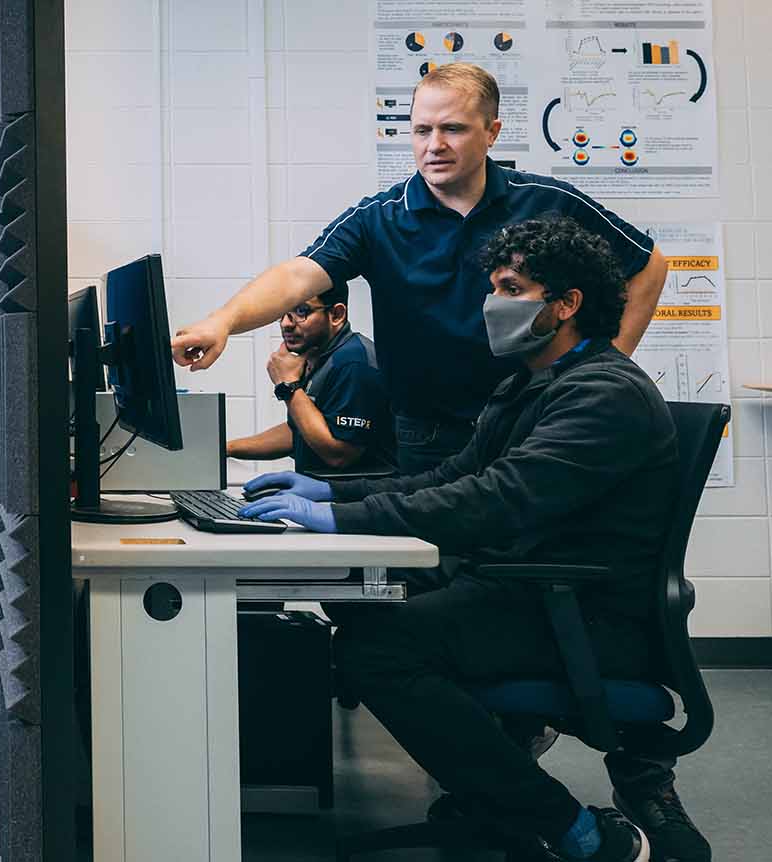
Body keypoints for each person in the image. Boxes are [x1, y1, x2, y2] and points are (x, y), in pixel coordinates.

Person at [237, 216, 702, 862]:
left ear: (566, 304)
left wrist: (341, 520)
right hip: (522, 583)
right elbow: (451, 476)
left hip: (579, 610)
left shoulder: (603, 394)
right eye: (493, 287)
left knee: (376, 650)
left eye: (511, 289)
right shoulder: (529, 382)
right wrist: (328, 495)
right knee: (357, 593)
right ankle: (491, 787)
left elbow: (495, 499)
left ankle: (576, 831)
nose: (492, 304)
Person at [171, 62, 667, 477]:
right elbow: (299, 276)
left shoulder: (545, 202)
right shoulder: (379, 218)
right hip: (426, 435)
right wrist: (223, 322)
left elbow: (648, 266)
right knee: (430, 554)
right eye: (422, 130)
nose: (435, 145)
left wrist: (601, 364)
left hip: (531, 420)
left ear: (492, 133)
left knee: (520, 552)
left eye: (453, 129)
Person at [225, 280, 394, 476]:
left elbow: (340, 455)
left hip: (357, 493)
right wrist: (227, 448)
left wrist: (288, 386)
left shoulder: (353, 364)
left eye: (301, 311)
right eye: (282, 313)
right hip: (321, 488)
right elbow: (301, 432)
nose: (286, 323)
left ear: (336, 315)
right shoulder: (318, 356)